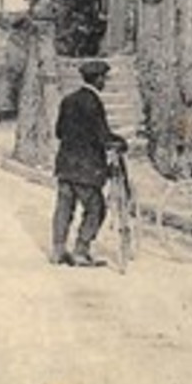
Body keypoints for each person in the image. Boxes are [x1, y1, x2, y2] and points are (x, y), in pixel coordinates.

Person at [50, 59, 126, 267]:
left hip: (65, 165)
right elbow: (102, 136)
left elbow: (58, 132)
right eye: (104, 79)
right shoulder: (94, 102)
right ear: (98, 79)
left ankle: (58, 250)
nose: (105, 83)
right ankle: (81, 251)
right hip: (86, 169)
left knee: (64, 208)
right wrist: (120, 141)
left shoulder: (68, 100)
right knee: (96, 208)